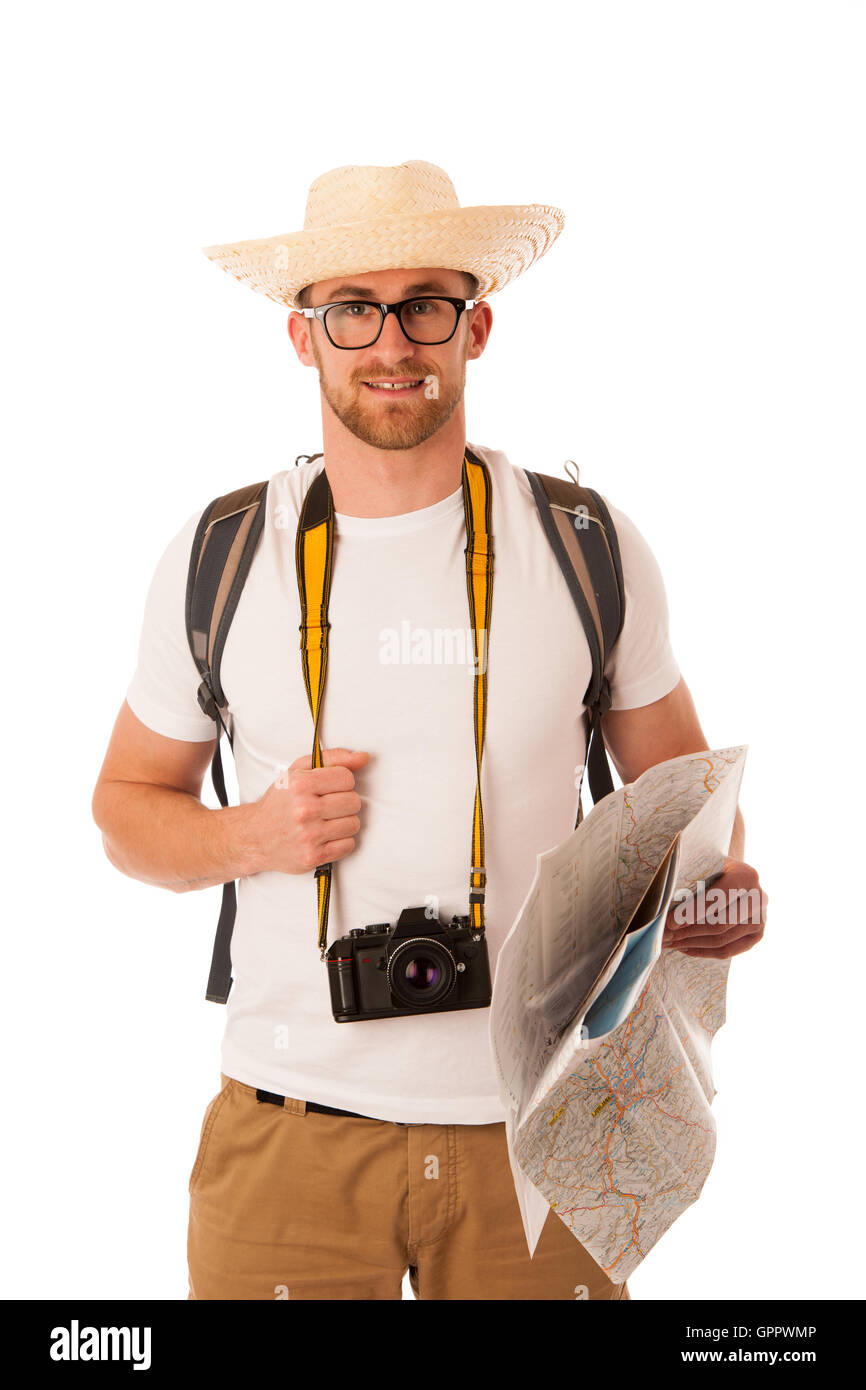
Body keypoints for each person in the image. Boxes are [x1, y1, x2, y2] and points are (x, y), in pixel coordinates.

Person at [91, 160, 767, 1301]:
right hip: (287, 1132)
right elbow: (123, 809)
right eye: (352, 308)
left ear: (476, 326)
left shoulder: (581, 545)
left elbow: (692, 805)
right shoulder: (218, 557)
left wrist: (710, 897)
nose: (390, 341)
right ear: (303, 339)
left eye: (424, 305)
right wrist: (254, 836)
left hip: (542, 1137)